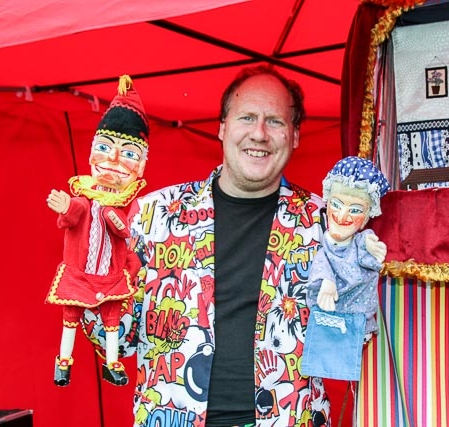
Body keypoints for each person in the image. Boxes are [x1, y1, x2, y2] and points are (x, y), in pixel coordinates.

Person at [83, 65, 331, 427]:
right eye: (247, 117)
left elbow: (359, 329)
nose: (259, 134)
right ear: (222, 127)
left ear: (294, 136)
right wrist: (91, 267)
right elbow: (118, 340)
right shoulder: (153, 215)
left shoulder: (328, 226)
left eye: (275, 121)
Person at [46, 75, 149, 387]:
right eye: (106, 148)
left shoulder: (123, 203)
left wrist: (112, 217)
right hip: (80, 274)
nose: (114, 160)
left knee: (112, 321)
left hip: (111, 275)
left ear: (141, 164)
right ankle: (63, 362)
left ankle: (113, 364)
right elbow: (75, 213)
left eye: (129, 154)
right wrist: (66, 207)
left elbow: (122, 230)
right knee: (70, 319)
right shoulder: (84, 194)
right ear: (93, 154)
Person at [302, 156, 390, 381]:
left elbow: (365, 244)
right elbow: (323, 259)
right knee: (325, 363)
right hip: (328, 314)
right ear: (328, 203)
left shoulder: (361, 242)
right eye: (337, 205)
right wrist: (327, 281)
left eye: (355, 210)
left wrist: (369, 243)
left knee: (349, 365)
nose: (342, 216)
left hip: (357, 318)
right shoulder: (320, 242)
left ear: (366, 218)